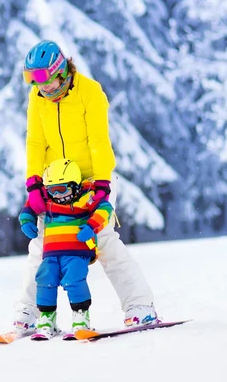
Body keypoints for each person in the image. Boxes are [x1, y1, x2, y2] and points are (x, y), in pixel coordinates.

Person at [14, 39, 159, 334]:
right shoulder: (37, 98)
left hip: (92, 181)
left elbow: (98, 141)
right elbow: (35, 141)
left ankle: (139, 306)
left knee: (102, 241)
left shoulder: (89, 92)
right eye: (32, 81)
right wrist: (33, 185)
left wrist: (102, 185)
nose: (40, 88)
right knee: (41, 246)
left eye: (43, 80)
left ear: (60, 71)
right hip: (54, 184)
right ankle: (28, 312)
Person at [19, 158, 114, 338]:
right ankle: (47, 319)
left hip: (77, 251)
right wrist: (26, 221)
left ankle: (81, 317)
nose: (57, 195)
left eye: (61, 189)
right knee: (44, 279)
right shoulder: (48, 200)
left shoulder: (87, 197)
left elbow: (105, 208)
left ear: (75, 185)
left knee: (74, 279)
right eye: (52, 190)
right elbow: (30, 206)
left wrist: (92, 226)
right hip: (51, 254)